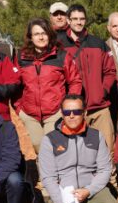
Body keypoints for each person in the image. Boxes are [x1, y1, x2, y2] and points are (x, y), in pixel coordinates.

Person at [38, 93, 118, 203]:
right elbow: (48, 178)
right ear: (62, 113)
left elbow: (105, 170)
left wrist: (89, 190)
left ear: (85, 112)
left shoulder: (96, 136)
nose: (72, 116)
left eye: (77, 111)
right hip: (64, 193)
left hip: (89, 189)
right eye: (67, 112)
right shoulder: (50, 140)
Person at [15, 18, 82, 154]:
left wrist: (68, 105)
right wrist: (19, 108)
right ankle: (43, 175)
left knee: (52, 148)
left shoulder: (61, 56)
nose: (41, 37)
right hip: (29, 114)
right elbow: (15, 84)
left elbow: (75, 81)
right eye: (36, 34)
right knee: (37, 147)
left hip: (54, 112)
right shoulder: (21, 57)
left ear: (50, 34)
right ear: (30, 37)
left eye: (44, 33)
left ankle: (54, 175)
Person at [58, 4, 117, 153]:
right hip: (73, 110)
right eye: (75, 19)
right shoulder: (59, 45)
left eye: (82, 19)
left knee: (106, 148)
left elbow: (110, 71)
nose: (79, 22)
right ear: (68, 20)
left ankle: (109, 177)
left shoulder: (98, 44)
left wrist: (102, 91)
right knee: (76, 152)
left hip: (99, 108)